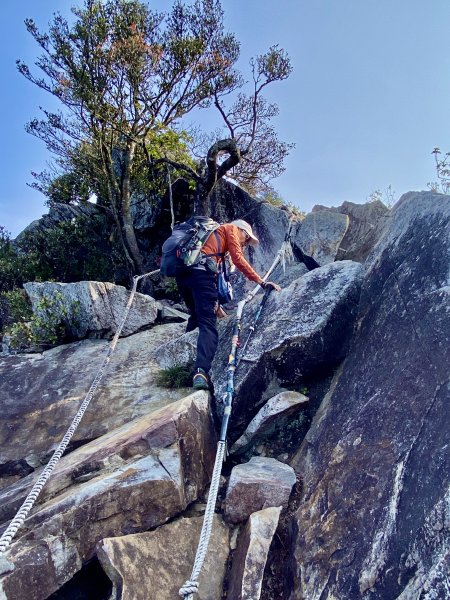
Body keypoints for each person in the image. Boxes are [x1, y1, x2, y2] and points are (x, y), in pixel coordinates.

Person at [175, 219, 281, 390]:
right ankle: (200, 372)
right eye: (246, 239)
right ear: (243, 231)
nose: (244, 243)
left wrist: (217, 305)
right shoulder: (231, 229)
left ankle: (180, 364)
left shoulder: (212, 239)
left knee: (195, 315)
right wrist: (261, 282)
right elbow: (238, 259)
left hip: (183, 275)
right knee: (208, 325)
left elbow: (214, 276)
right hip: (200, 275)